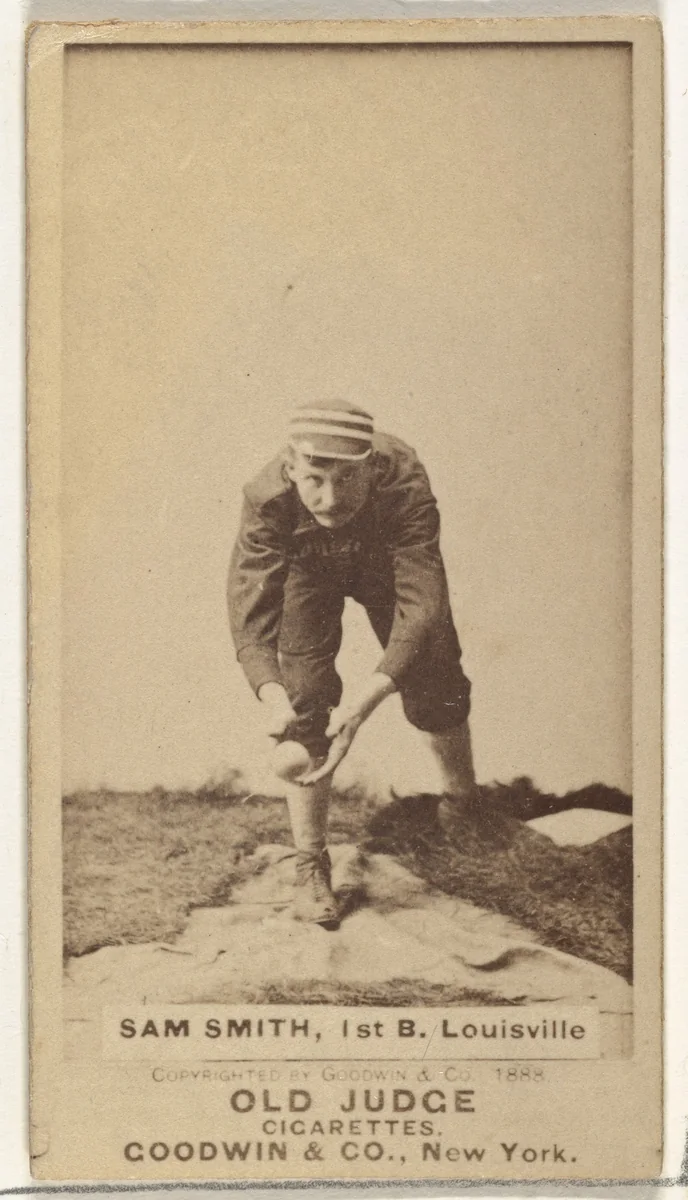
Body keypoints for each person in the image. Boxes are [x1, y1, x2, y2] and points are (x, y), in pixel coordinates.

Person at [227, 399, 476, 927]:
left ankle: (463, 806)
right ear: (292, 466)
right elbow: (251, 613)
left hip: (385, 566)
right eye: (315, 477)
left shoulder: (403, 478)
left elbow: (423, 602)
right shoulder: (267, 497)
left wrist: (367, 701)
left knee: (434, 675)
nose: (331, 497)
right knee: (303, 701)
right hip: (308, 573)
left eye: (347, 478)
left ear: (373, 467)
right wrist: (273, 698)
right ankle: (310, 862)